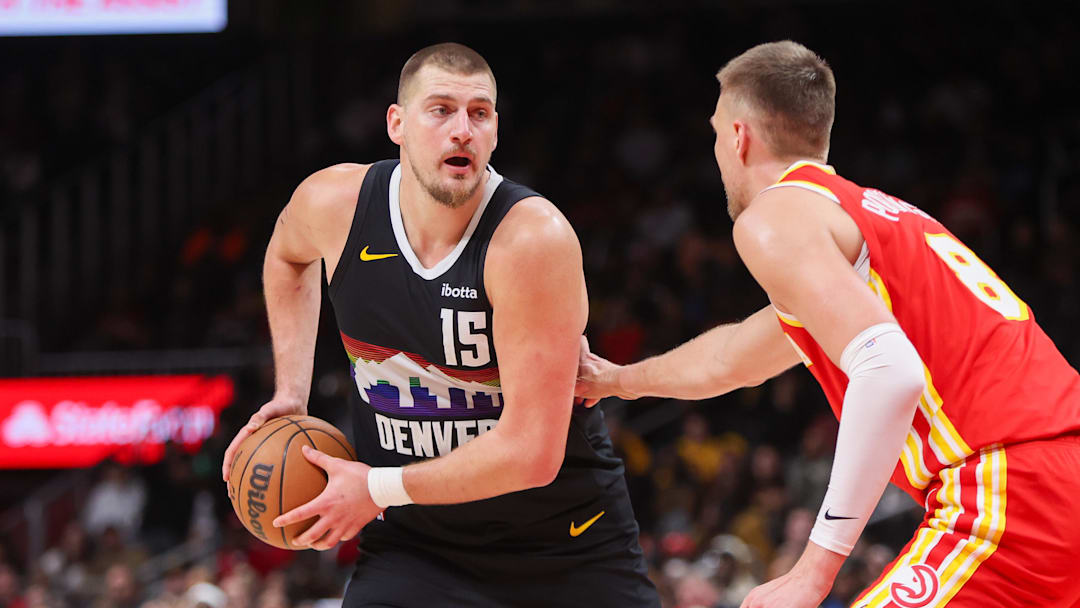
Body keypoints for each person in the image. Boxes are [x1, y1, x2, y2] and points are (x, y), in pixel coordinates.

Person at [576, 40, 1080, 607]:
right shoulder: (871, 218)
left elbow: (890, 371)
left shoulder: (775, 214)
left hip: (1011, 488)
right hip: (1057, 473)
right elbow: (732, 358)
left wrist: (812, 571)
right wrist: (617, 380)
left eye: (716, 133)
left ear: (739, 137)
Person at [221, 42, 658, 607]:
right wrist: (291, 390)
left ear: (495, 131)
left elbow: (531, 453)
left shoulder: (530, 241)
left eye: (479, 113)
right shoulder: (335, 204)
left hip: (561, 548)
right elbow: (287, 257)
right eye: (441, 109)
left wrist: (375, 489)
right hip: (416, 548)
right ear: (396, 124)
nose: (462, 130)